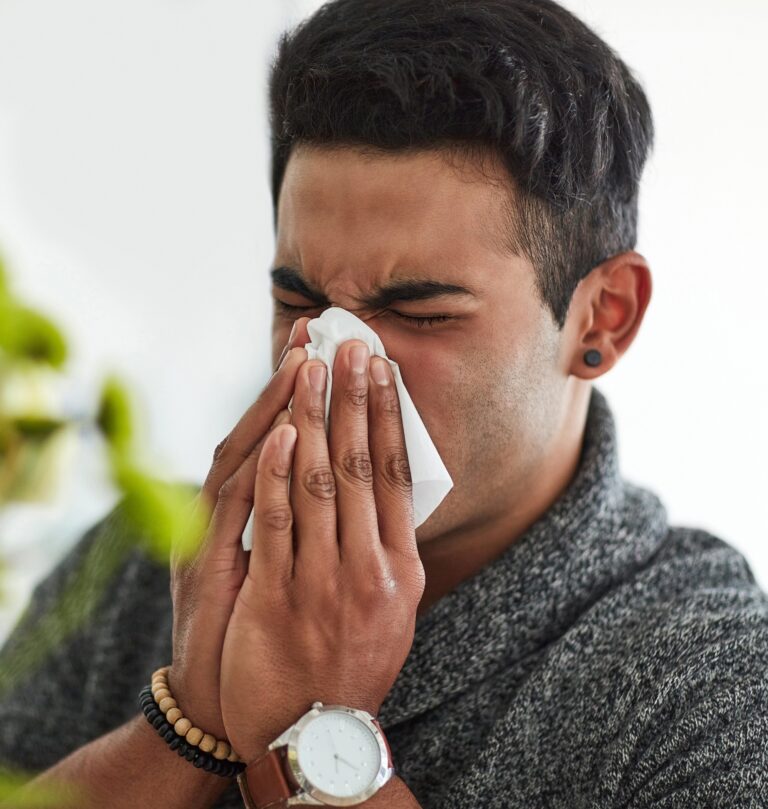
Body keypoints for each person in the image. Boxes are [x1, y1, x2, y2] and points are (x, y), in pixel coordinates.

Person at [1, 0, 767, 806]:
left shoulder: (707, 684)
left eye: (421, 314)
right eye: (298, 302)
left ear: (603, 318)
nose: (333, 364)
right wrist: (191, 720)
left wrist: (309, 723)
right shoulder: (146, 559)